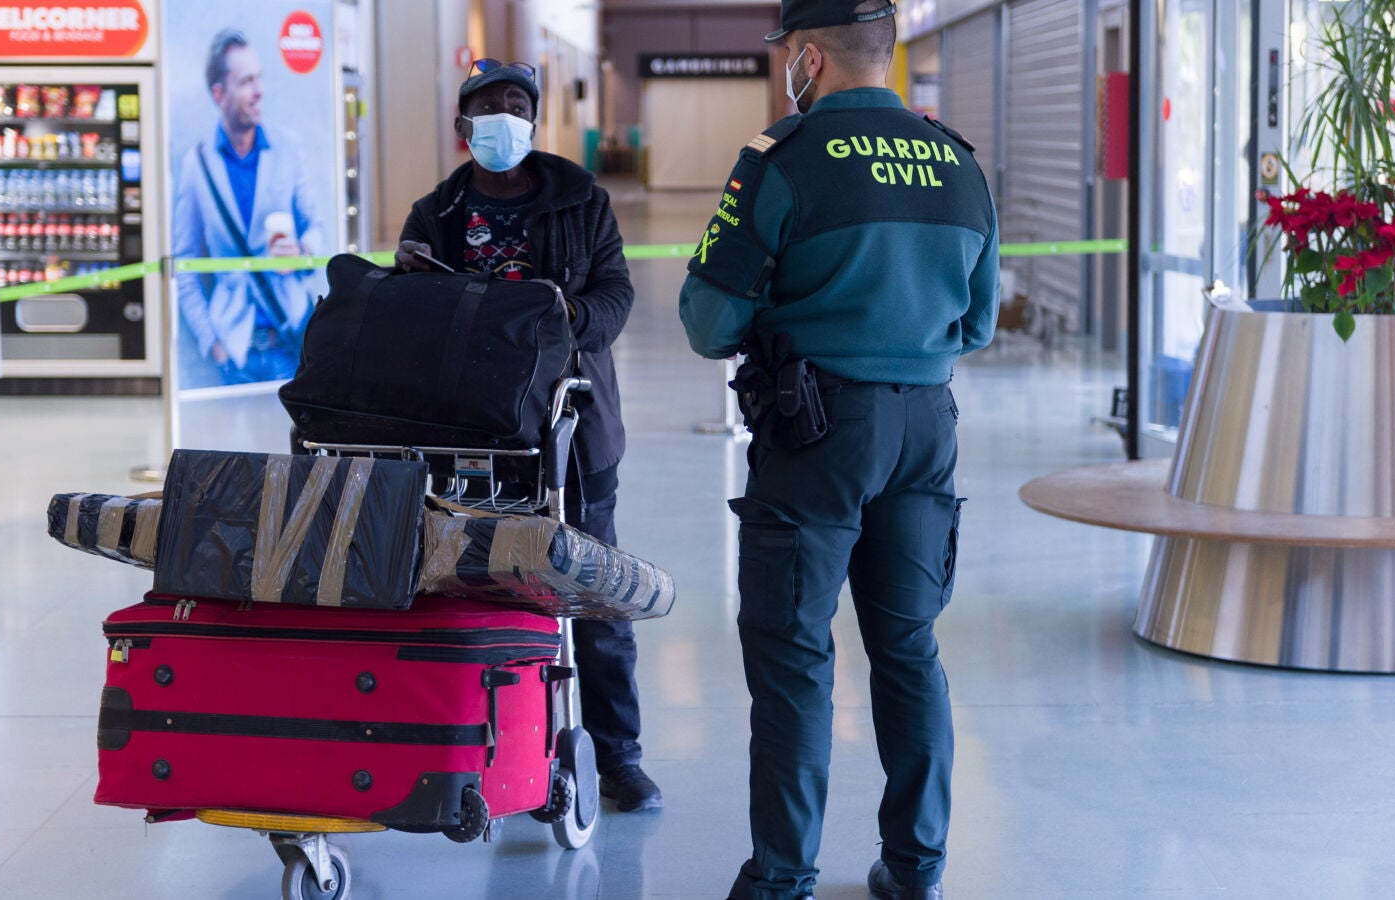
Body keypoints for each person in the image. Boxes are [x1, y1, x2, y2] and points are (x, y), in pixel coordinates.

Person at [678, 1, 999, 897]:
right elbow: (977, 323)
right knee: (909, 647)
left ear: (810, 58)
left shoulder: (782, 159)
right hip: (926, 431)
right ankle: (916, 870)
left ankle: (782, 880)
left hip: (815, 433)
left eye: (786, 49)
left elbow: (709, 322)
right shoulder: (958, 163)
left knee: (793, 656)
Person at [394, 60, 662, 813]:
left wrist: (566, 317)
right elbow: (408, 317)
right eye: (489, 106)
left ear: (535, 120)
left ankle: (619, 756)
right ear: (463, 125)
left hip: (573, 425)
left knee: (593, 590)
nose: (504, 118)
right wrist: (408, 279)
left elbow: (615, 293)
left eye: (517, 104)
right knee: (478, 588)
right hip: (472, 431)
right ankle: (495, 747)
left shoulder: (581, 199)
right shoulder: (437, 212)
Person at [173, 29, 324, 386]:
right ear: (219, 94)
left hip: (290, 338)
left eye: (259, 78)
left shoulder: (287, 148)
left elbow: (316, 227)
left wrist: (302, 252)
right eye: (246, 82)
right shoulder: (198, 164)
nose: (259, 91)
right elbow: (184, 266)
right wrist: (214, 345)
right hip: (235, 353)